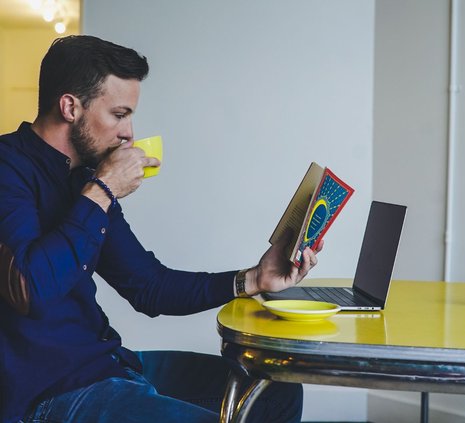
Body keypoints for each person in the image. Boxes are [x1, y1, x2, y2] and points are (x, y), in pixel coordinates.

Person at [0, 35, 322, 423]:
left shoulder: (84, 180)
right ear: (70, 106)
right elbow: (29, 289)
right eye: (119, 114)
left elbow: (149, 287)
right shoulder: (11, 168)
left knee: (275, 392)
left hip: (109, 366)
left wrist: (254, 278)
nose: (128, 134)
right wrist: (103, 191)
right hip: (49, 393)